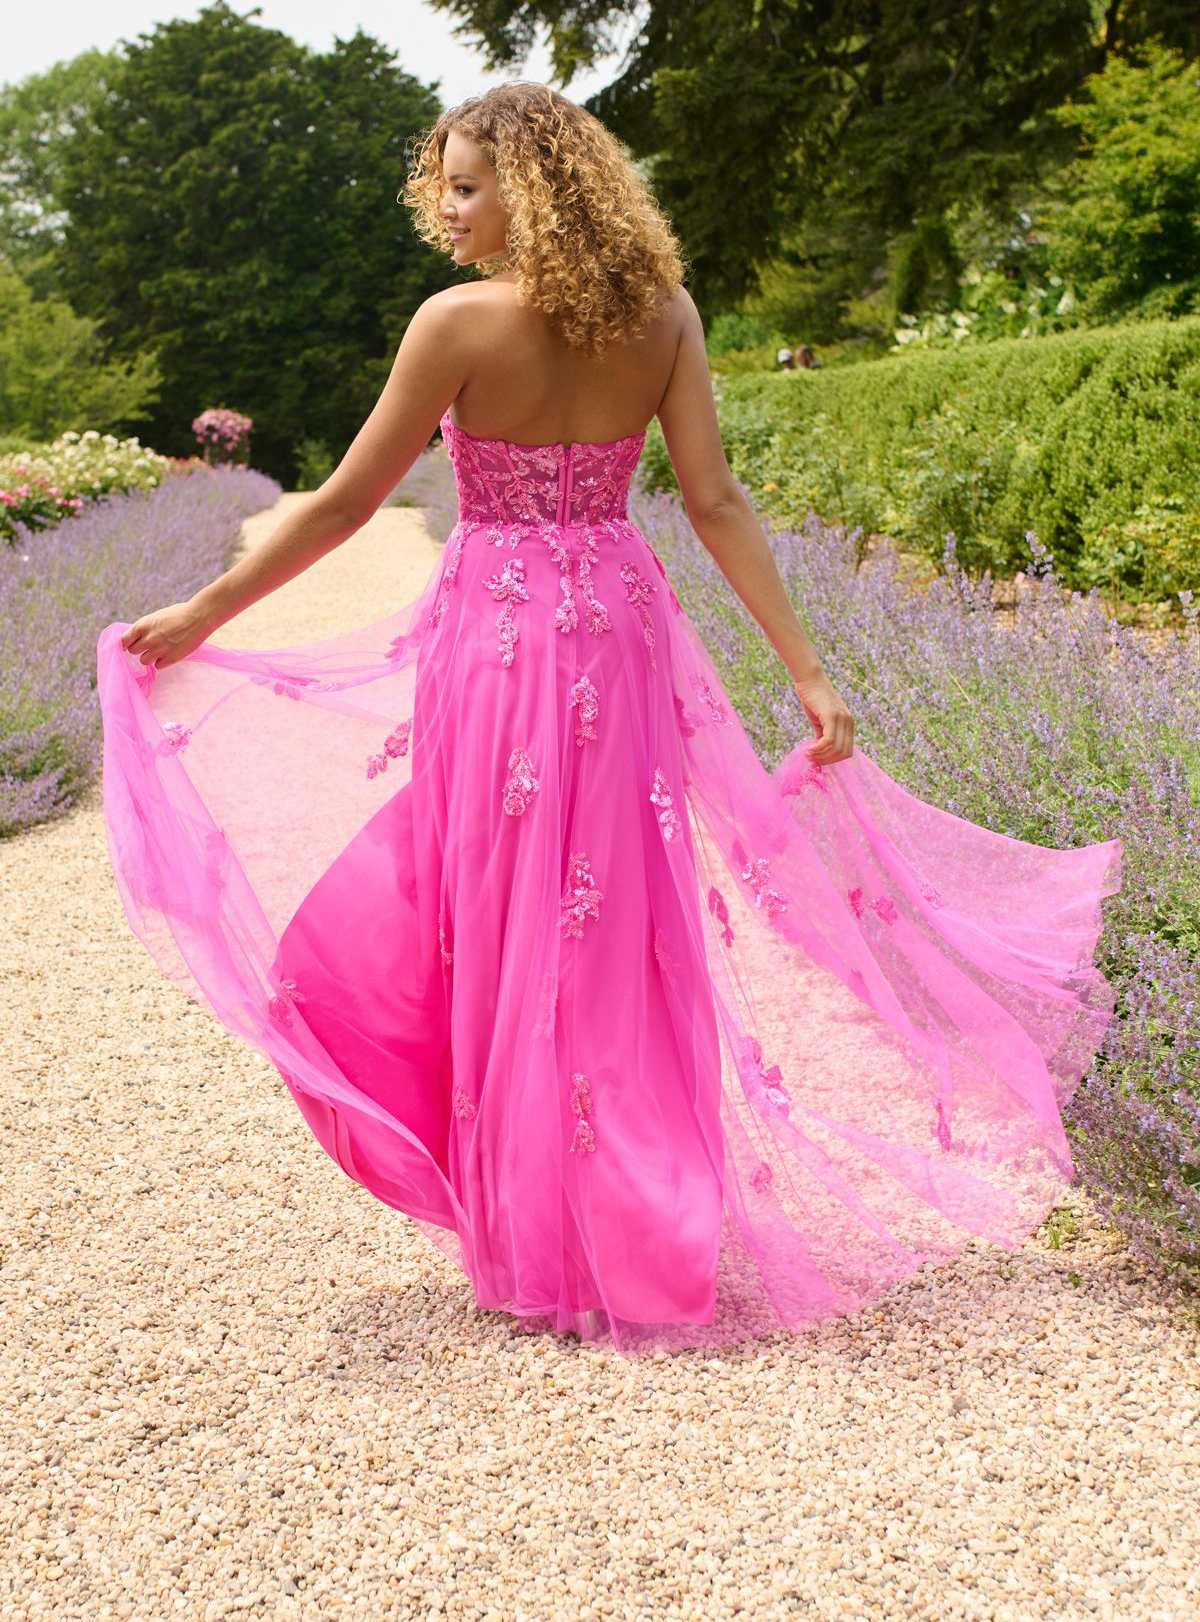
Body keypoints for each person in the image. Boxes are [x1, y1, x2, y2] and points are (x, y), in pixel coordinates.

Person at [96, 82, 1120, 1359]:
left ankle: (538, 1230)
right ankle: (638, 1223)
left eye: (466, 185)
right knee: (611, 920)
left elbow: (353, 502)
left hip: (500, 635)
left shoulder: (457, 324)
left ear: (533, 190)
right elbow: (715, 501)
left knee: (507, 909)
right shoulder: (666, 315)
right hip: (618, 630)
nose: (448, 209)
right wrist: (807, 669)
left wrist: (206, 607)